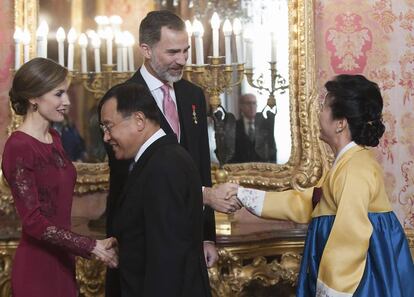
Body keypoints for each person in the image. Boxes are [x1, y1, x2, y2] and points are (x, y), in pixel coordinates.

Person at [237, 75, 414, 296]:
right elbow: (308, 202)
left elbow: (350, 236)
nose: (319, 113)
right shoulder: (347, 163)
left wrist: (331, 290)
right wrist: (241, 195)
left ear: (340, 123)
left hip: (360, 282)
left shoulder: (355, 169)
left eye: (324, 107)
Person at [105, 10, 240, 295]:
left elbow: (201, 165)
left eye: (186, 50)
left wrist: (207, 236)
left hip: (189, 237)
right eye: (172, 52)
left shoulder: (193, 95)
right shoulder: (121, 99)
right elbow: (128, 176)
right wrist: (204, 195)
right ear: (146, 49)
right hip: (144, 238)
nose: (182, 59)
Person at [1, 58, 118, 297]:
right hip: (36, 266)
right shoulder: (19, 145)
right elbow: (33, 221)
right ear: (34, 98)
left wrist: (87, 245)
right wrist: (90, 245)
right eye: (58, 94)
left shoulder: (54, 138)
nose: (67, 102)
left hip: (63, 261)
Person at [99, 82, 211, 297]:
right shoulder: (158, 159)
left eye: (109, 126)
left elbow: (167, 260)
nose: (106, 137)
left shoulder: (164, 165)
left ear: (139, 120)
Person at [230, 93, 276, 163]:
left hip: (262, 170)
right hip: (240, 170)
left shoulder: (265, 126)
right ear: (241, 106)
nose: (252, 106)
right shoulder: (233, 126)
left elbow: (272, 150)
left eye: (254, 103)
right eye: (248, 103)